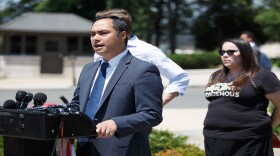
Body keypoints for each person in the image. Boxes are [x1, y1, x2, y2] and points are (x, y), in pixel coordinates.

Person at [71, 15, 163, 156]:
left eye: (103, 33)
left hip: (121, 151)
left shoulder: (143, 70)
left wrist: (116, 123)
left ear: (123, 35)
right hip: (84, 149)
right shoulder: (88, 69)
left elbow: (152, 114)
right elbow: (77, 106)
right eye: (92, 34)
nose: (95, 38)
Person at [94, 8, 189, 105]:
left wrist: (156, 105)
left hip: (131, 117)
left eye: (103, 32)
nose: (96, 36)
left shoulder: (146, 51)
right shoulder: (99, 53)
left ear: (122, 32)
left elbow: (180, 77)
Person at [203, 38, 280, 156]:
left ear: (245, 53)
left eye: (230, 52)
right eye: (222, 52)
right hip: (214, 138)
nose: (225, 55)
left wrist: (268, 127)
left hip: (249, 140)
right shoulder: (216, 76)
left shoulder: (262, 76)